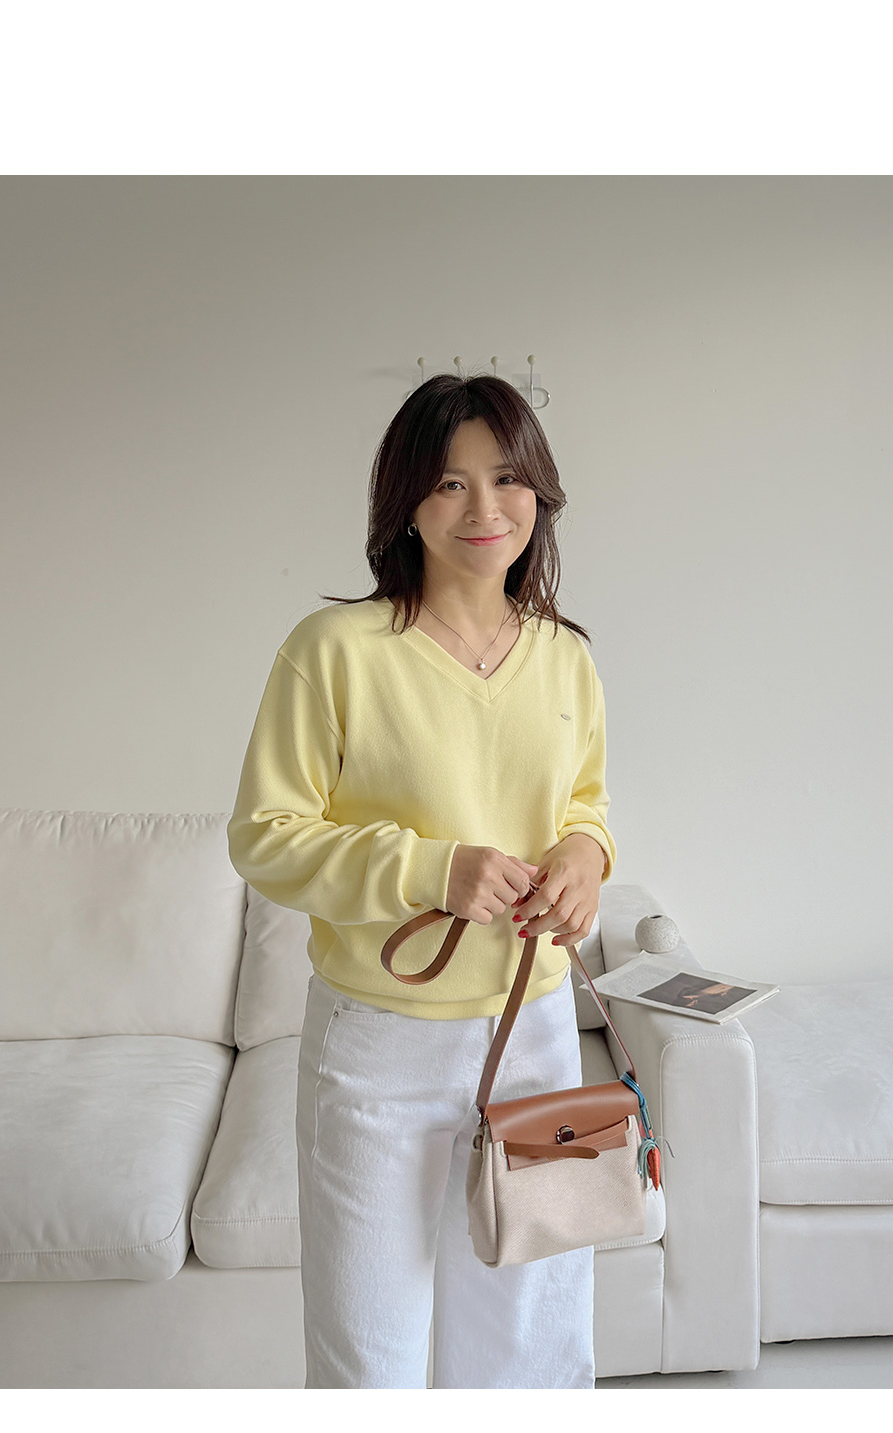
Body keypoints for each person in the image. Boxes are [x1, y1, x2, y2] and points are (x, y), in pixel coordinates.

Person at [226, 373, 617, 1389]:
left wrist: (586, 858)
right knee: (370, 1359)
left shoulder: (565, 658)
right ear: (405, 501)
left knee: (533, 1349)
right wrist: (429, 869)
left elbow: (585, 803)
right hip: (378, 1047)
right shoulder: (332, 652)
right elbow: (264, 836)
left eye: (507, 477)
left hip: (535, 1035)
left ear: (540, 493)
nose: (485, 507)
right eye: (449, 482)